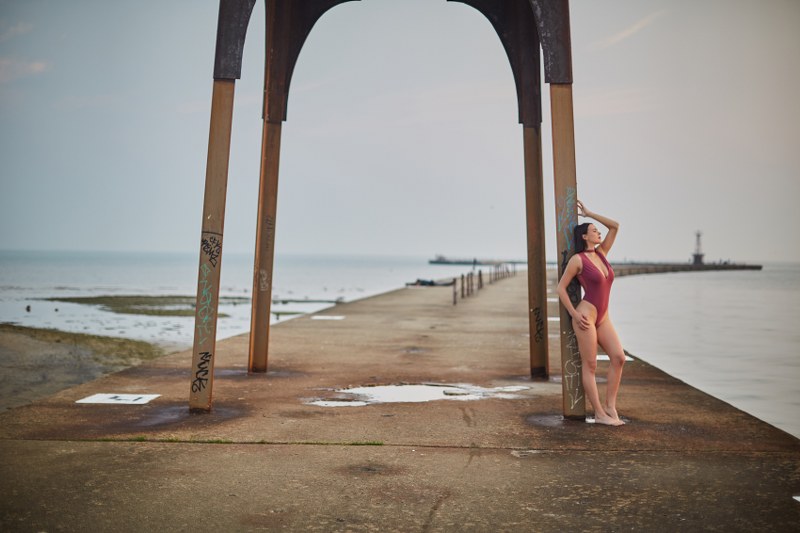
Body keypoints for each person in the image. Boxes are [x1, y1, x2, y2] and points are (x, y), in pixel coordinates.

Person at [556, 200, 626, 426]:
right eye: (593, 230)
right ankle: (598, 413)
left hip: (603, 317)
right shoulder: (578, 260)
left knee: (619, 358)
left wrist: (589, 213)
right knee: (591, 365)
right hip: (586, 316)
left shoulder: (602, 253)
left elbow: (614, 226)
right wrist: (574, 315)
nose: (598, 232)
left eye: (597, 231)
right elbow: (561, 288)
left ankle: (610, 406)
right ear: (584, 237)